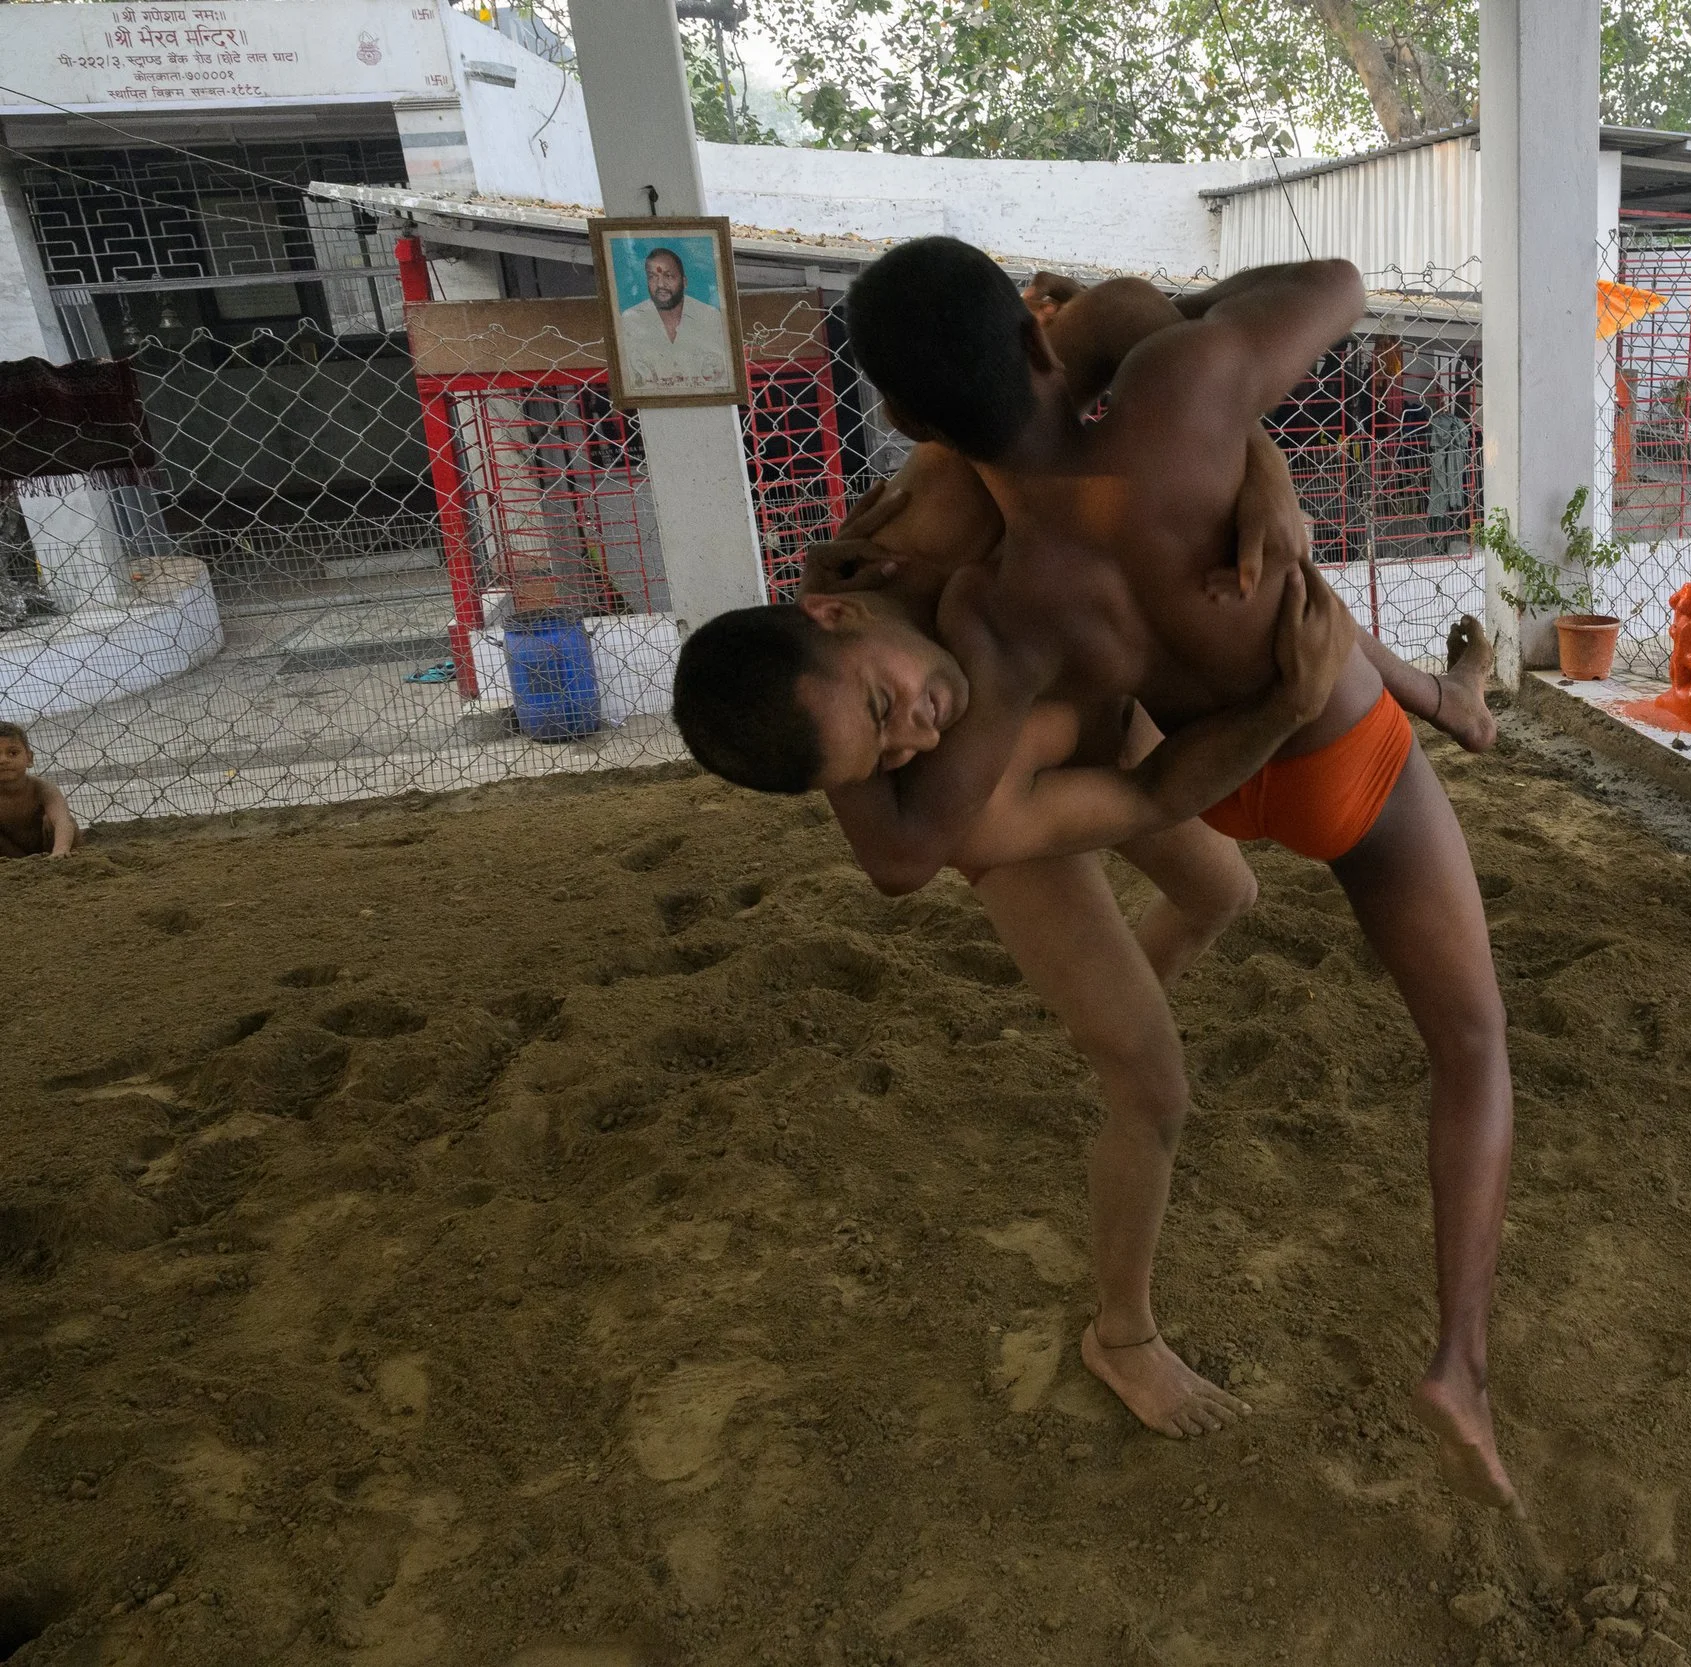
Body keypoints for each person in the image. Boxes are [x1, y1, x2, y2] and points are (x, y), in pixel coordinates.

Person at [813, 239, 1519, 1512]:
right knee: (1470, 1044)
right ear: (1040, 334)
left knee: (1234, 853)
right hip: (1331, 754)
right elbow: (1342, 285)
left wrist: (1257, 458)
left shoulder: (993, 602)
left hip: (1194, 774)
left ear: (907, 417)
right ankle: (1458, 1362)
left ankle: (1458, 702)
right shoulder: (1181, 385)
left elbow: (907, 844)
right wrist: (1230, 414)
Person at [614, 246, 732, 395]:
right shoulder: (631, 320)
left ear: (684, 281)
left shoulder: (709, 317)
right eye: (653, 277)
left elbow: (723, 379)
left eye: (669, 276)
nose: (660, 285)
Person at [0, 722, 78, 859]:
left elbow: (62, 820)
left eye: (13, 753)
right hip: (11, 855)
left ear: (29, 758)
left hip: (49, 847)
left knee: (54, 820)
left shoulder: (42, 788)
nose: (3, 760)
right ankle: (19, 861)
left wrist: (61, 849)